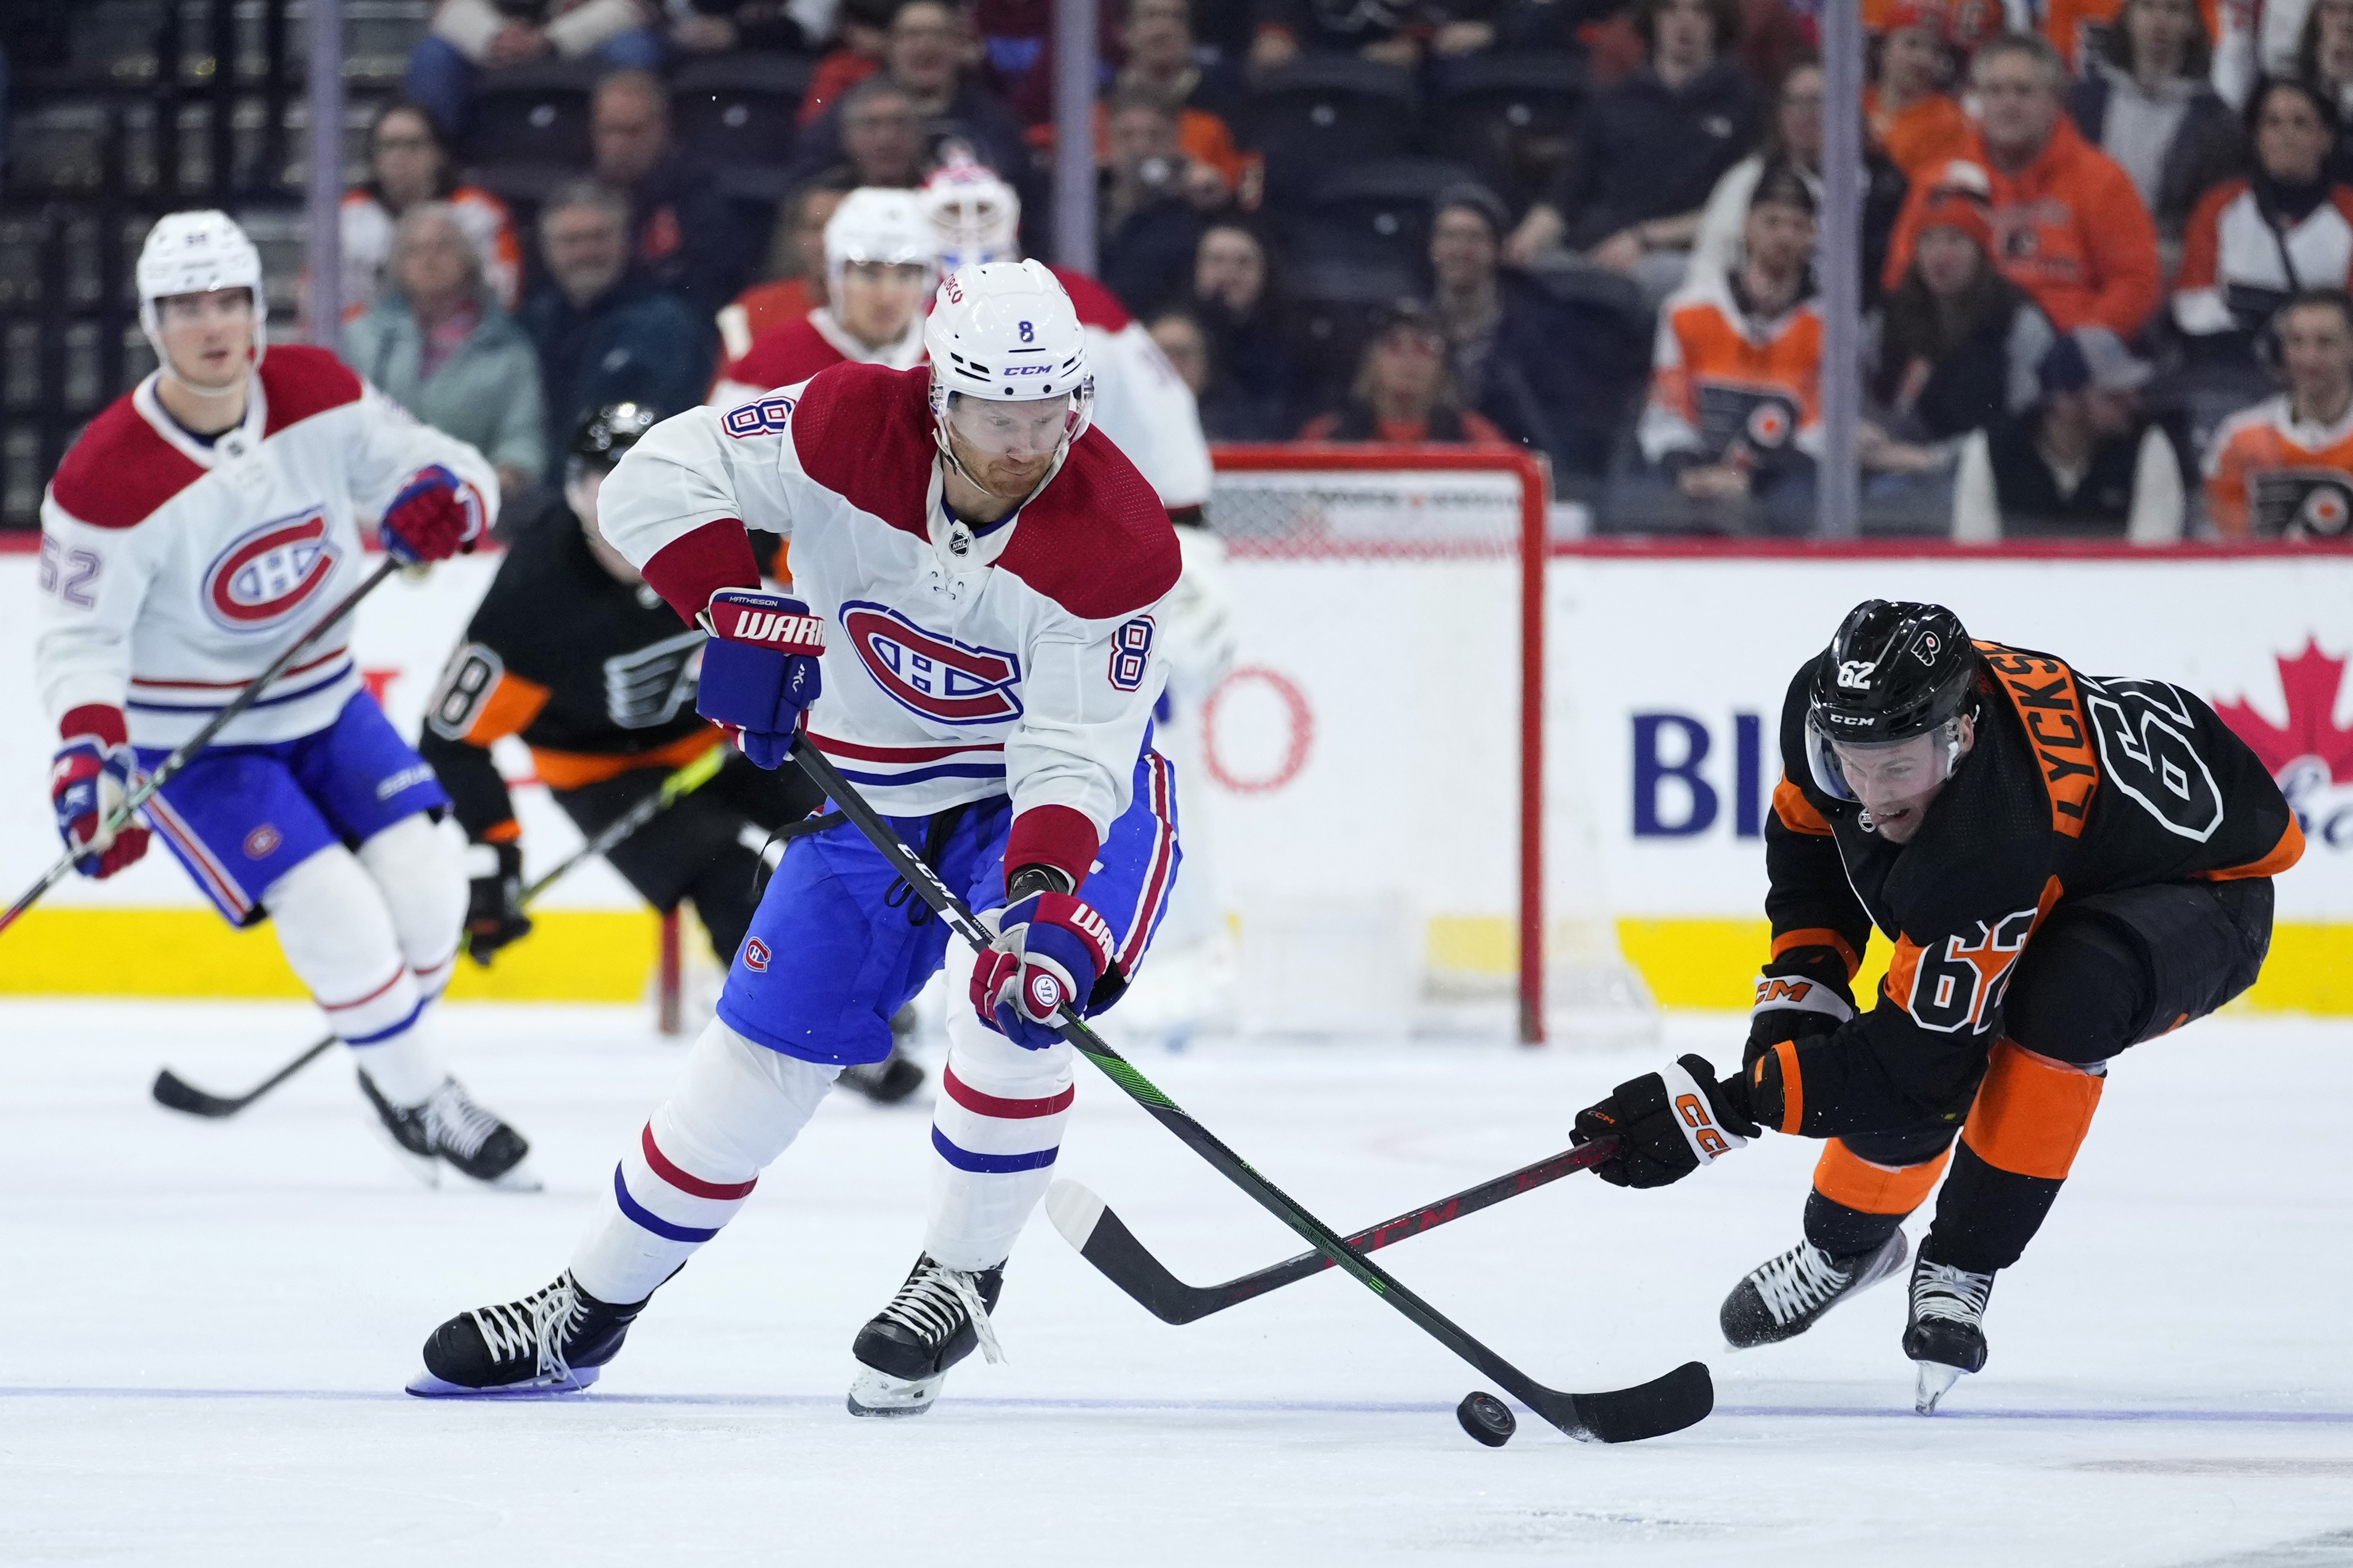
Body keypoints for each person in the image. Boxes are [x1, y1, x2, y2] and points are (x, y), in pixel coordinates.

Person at [408, 260, 1185, 1408]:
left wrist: (1036, 897)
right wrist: (730, 606)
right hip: (875, 789)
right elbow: (651, 477)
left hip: (1063, 806)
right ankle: (585, 1308)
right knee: (759, 1057)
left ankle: (957, 1279)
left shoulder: (1119, 535)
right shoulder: (842, 422)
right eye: (996, 413)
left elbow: (1073, 754)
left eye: (1048, 409)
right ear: (938, 394)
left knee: (1013, 1007)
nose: (1028, 442)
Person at [1567, 600, 2301, 1412]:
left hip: (2202, 889)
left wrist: (1723, 1109)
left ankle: (1962, 1261)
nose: (1870, 796)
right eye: (1852, 763)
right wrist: (1799, 999)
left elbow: (1913, 1070)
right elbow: (1810, 837)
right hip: (2071, 851)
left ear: (1961, 735)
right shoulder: (1825, 708)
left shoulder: (1992, 834)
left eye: (1897, 768)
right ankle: (1847, 1251)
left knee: (2064, 995)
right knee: (1848, 1045)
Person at [34, 211, 533, 1187]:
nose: (213, 325)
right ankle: (425, 1095)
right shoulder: (103, 477)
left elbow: (448, 466)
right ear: (152, 321)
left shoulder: (317, 390)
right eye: (186, 307)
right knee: (336, 914)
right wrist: (89, 756)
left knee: (431, 897)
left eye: (231, 300)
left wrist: (450, 498)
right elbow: (76, 639)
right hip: (197, 743)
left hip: (327, 701)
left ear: (259, 308)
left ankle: (390, 1064)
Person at [415, 402, 928, 1103]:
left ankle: (869, 985)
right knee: (729, 876)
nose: (627, 510)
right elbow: (450, 740)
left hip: (725, 732)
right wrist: (494, 856)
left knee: (850, 828)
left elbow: (836, 559)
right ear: (572, 492)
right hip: (603, 773)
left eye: (644, 478)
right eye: (602, 483)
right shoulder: (533, 599)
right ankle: (811, 1027)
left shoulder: (723, 525)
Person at [919, 154, 1216, 522]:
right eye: (952, 212)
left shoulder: (1080, 303)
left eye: (983, 210)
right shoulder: (904, 310)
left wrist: (1177, 514)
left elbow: (1160, 425)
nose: (969, 227)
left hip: (1089, 521)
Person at [1882, 34, 2163, 339]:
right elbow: (1901, 276)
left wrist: (2080, 344)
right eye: (1995, 91)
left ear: (2056, 102)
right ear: (1978, 100)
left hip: (2070, 350)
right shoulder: (1941, 181)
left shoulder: (2103, 179)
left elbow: (2135, 282)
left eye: (2023, 91)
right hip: (1962, 348)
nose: (2008, 104)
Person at [1502, 0, 1764, 301]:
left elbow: (1745, 208)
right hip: (1593, 248)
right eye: (1671, 10)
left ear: (1718, 22)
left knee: (1659, 278)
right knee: (1534, 275)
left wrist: (1646, 238)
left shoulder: (1745, 104)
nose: (1685, 22)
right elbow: (1566, 193)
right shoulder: (1613, 100)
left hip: (1682, 252)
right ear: (1654, 19)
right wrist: (1525, 243)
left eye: (1700, 11)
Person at [1637, 164, 1830, 526]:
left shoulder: (1830, 329)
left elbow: (1819, 435)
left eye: (1798, 226)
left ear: (1812, 236)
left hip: (1780, 488)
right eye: (1772, 222)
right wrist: (1688, 471)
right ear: (1748, 225)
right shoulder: (1687, 312)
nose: (1785, 236)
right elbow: (1666, 416)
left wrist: (1752, 480)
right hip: (1694, 476)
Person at [1430, 182, 1653, 477]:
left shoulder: (1543, 327)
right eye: (1450, 237)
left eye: (1474, 238)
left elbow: (1554, 427)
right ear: (1433, 248)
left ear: (1499, 249)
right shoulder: (1411, 326)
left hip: (1523, 470)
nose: (1460, 250)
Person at [344, 202, 549, 504]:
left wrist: (488, 486)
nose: (429, 260)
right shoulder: (360, 339)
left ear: (468, 259)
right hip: (371, 508)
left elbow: (522, 440)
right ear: (397, 264)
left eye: (443, 247)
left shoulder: (506, 347)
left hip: (473, 510)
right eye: (414, 251)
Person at [1689, 55, 1910, 304]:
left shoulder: (1881, 185)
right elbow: (1708, 268)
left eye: (1817, 102)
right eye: (1793, 102)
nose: (1805, 114)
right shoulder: (1748, 178)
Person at [520, 181, 714, 461]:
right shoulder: (534, 320)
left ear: (626, 241)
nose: (586, 252)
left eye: (599, 237)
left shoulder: (664, 324)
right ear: (546, 249)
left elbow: (662, 420)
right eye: (571, 241)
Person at [792, 2, 1037, 216]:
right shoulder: (852, 110)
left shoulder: (995, 122)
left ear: (959, 45)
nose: (925, 45)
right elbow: (807, 190)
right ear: (889, 47)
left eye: (938, 34)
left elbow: (1021, 198)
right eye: (911, 35)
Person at [2173, 78, 2353, 369]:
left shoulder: (2349, 212)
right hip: (2229, 364)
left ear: (2326, 138)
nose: (2286, 135)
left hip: (2328, 367)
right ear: (2258, 137)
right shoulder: (2218, 206)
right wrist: (2246, 345)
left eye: (2301, 123)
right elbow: (2193, 296)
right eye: (2273, 123)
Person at [709, 187, 938, 405]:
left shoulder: (948, 348)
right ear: (835, 278)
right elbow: (719, 433)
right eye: (869, 275)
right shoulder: (778, 354)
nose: (887, 296)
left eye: (906, 276)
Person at [1958, 324, 2186, 537]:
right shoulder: (1994, 449)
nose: (2133, 403)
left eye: (2132, 391)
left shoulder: (2146, 443)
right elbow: (1974, 551)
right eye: (2113, 396)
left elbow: (2153, 555)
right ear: (2065, 400)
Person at [1869, 185, 2056, 443]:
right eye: (1928, 240)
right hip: (1892, 455)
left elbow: (2028, 420)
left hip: (1983, 460)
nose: (1940, 256)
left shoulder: (2018, 321)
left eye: (1955, 240)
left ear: (1981, 252)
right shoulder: (1891, 315)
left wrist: (1936, 459)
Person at [2066, 0, 2241, 243]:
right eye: (2148, 7)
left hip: (2168, 250)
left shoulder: (2216, 120)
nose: (2160, 21)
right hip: (2082, 242)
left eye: (2174, 9)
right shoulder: (2084, 100)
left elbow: (2215, 208)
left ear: (2192, 24)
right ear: (2128, 17)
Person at [590, 69, 755, 320]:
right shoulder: (582, 195)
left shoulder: (700, 195)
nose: (619, 145)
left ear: (662, 129)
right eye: (608, 131)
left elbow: (712, 284)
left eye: (632, 131)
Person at [340, 99, 521, 322]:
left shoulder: (480, 212)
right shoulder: (348, 214)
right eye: (388, 146)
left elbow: (503, 297)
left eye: (413, 145)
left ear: (438, 154)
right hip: (366, 338)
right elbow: (321, 300)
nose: (399, 156)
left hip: (462, 336)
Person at [2204, 287, 2353, 536]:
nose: (2309, 357)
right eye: (2297, 342)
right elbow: (2224, 538)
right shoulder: (2240, 437)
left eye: (2325, 342)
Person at [405, 0, 666, 140]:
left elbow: (636, 7)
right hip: (494, 40)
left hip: (588, 36)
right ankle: (433, 179)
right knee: (433, 58)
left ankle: (624, 165)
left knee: (635, 51)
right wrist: (493, 37)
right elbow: (446, 7)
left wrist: (552, 39)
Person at [1297, 299, 1514, 444]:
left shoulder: (1473, 437)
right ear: (1371, 362)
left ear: (1443, 368)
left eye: (1423, 347)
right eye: (1394, 346)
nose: (1409, 359)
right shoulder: (1328, 437)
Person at [1097, 91, 1218, 317]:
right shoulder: (1086, 206)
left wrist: (1219, 203)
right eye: (1127, 135)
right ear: (1109, 140)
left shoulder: (1195, 210)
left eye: (1155, 136)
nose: (1141, 147)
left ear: (1174, 141)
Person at [715, 179, 853, 371]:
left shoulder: (890, 311)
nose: (826, 240)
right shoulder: (754, 309)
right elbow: (735, 387)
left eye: (841, 228)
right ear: (796, 237)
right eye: (815, 227)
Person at [1185, 220, 1298, 440]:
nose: (1229, 274)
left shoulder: (1294, 338)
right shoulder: (1171, 332)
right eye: (1217, 261)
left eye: (1244, 262)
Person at [1867, 2, 1972, 180]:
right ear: (1884, 48)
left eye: (1935, 50)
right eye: (1912, 44)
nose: (1923, 59)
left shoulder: (1949, 121)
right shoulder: (1857, 102)